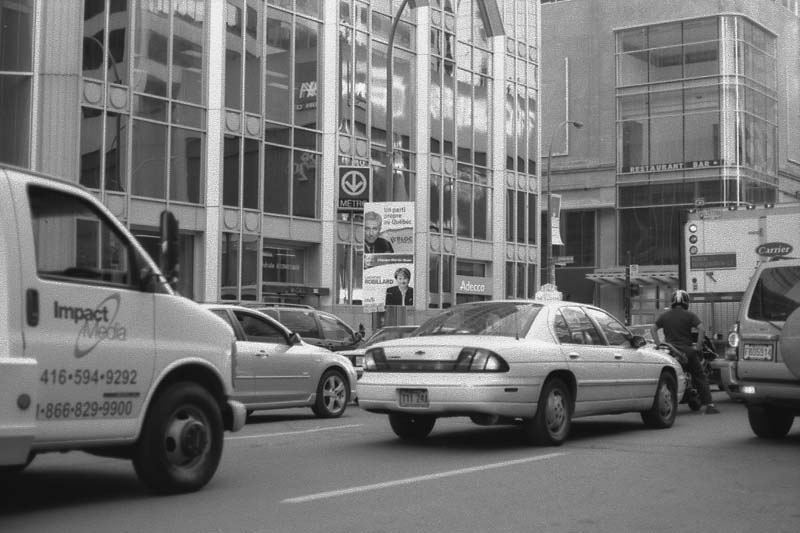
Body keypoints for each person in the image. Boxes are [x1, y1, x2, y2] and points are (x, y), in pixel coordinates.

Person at [651, 289, 719, 415]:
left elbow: (653, 329)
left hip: (670, 352)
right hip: (687, 351)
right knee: (700, 376)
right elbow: (702, 330)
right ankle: (710, 405)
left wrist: (658, 344)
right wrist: (698, 346)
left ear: (672, 301)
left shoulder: (665, 315)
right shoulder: (690, 315)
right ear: (686, 301)